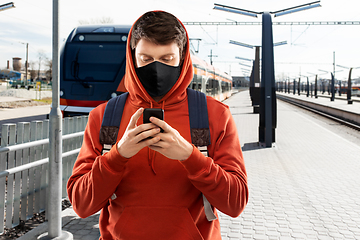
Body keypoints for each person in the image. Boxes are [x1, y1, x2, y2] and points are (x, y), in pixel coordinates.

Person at [67, 10, 248, 240]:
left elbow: (236, 203)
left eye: (167, 59)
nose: (156, 69)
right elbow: (81, 206)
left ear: (182, 57)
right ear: (132, 58)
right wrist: (118, 155)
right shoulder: (103, 117)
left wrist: (190, 157)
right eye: (145, 59)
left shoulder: (215, 114)